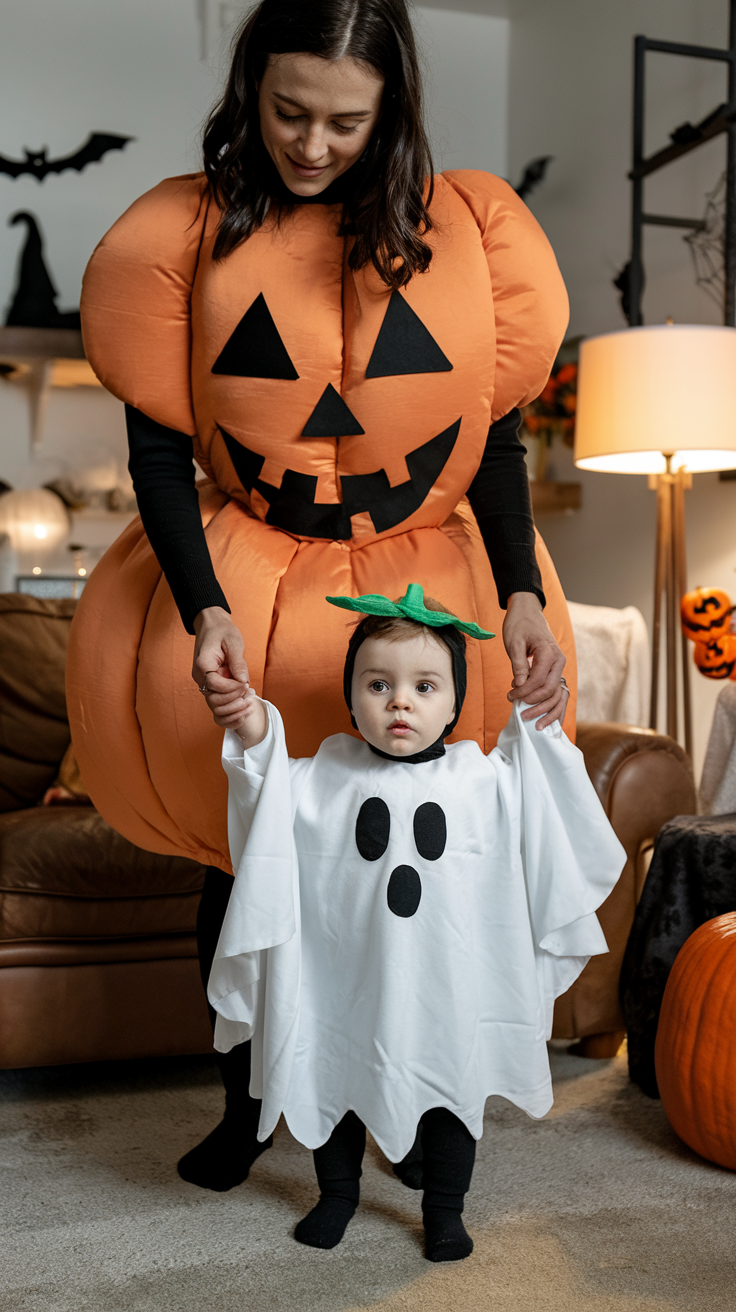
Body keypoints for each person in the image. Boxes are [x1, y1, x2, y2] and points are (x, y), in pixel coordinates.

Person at [67, 0, 574, 1193]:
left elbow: (487, 444)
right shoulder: (189, 235)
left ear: (390, 106)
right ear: (251, 90)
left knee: (418, 865)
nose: (310, 143)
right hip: (248, 562)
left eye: (345, 120)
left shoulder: (458, 234)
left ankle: (402, 1103)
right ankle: (246, 1106)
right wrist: (203, 607)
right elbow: (158, 460)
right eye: (288, 111)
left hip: (419, 581)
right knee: (245, 855)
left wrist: (517, 594)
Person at [204, 586, 624, 1261]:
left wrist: (538, 719)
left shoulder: (484, 780)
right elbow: (265, 792)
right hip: (345, 982)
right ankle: (337, 1194)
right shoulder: (319, 778)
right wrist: (251, 724)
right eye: (378, 684)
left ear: (455, 702)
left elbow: (542, 794)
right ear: (351, 699)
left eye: (424, 686)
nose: (400, 701)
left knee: (451, 1092)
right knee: (331, 1079)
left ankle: (445, 1210)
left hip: (445, 987)